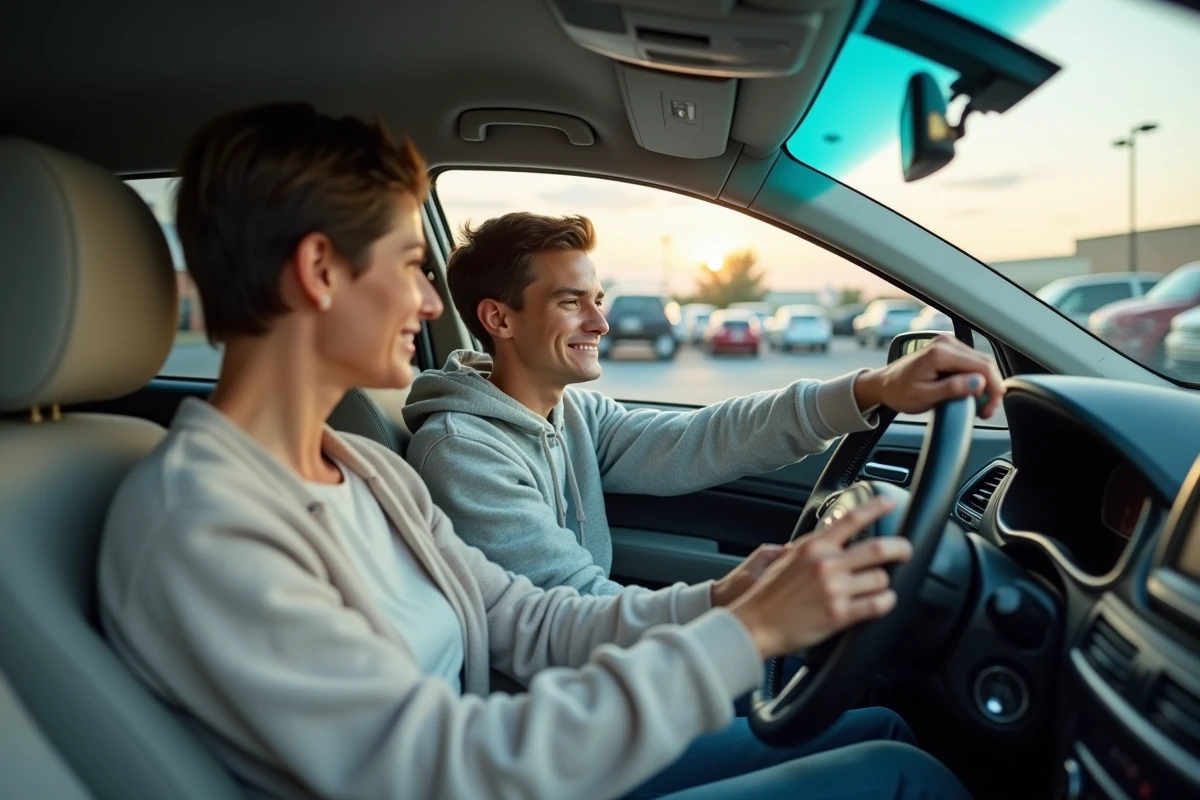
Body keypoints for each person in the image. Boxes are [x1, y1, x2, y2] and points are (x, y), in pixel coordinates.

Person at [98, 102, 974, 800]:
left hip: (521, 753)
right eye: (410, 265)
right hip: (501, 764)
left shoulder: (359, 470)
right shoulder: (205, 524)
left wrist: (725, 599)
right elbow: (442, 766)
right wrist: (743, 633)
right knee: (906, 776)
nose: (428, 302)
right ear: (322, 271)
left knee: (886, 736)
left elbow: (528, 619)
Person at [402, 213, 1004, 598]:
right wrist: (749, 607)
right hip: (559, 729)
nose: (603, 322)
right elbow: (568, 610)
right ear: (499, 318)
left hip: (612, 685)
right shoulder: (463, 451)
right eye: (571, 302)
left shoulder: (572, 416)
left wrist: (869, 389)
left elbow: (704, 437)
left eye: (599, 299)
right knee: (895, 752)